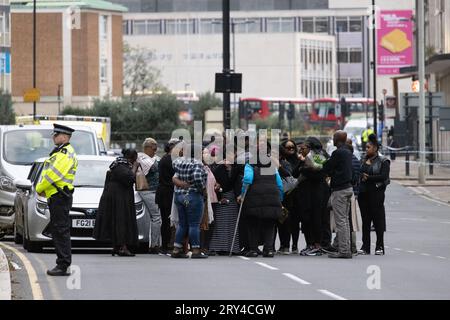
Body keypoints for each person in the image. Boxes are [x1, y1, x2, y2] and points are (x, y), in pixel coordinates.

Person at [36, 124, 77, 276]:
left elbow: (52, 175)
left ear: (65, 137)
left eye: (56, 134)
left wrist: (39, 188)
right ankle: (62, 263)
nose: (53, 137)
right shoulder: (61, 152)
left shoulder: (64, 154)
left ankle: (63, 265)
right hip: (57, 195)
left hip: (60, 196)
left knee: (60, 231)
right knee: (59, 230)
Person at [239, 143, 284, 258]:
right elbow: (279, 184)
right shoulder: (272, 166)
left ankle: (253, 249)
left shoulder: (250, 164)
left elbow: (248, 179)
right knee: (269, 224)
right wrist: (280, 199)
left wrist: (242, 195)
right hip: (272, 197)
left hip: (254, 198)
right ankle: (268, 249)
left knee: (252, 223)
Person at [94, 149, 139, 257]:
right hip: (119, 198)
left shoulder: (118, 164)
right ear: (131, 158)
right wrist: (135, 167)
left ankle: (117, 247)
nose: (134, 161)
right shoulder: (120, 166)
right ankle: (122, 247)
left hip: (118, 197)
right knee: (121, 221)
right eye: (134, 159)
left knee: (118, 221)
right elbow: (130, 178)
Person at [171, 143, 208, 259]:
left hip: (179, 196)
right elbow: (197, 177)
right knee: (194, 225)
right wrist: (201, 188)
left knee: (182, 224)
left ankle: (176, 249)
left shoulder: (178, 162)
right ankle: (196, 250)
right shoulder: (197, 163)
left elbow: (175, 177)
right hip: (193, 195)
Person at [322, 131, 354, 259]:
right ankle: (344, 246)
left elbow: (327, 167)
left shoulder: (338, 153)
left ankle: (344, 250)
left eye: (334, 137)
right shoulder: (348, 152)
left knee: (340, 221)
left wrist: (323, 165)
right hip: (348, 188)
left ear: (337, 139)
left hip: (339, 190)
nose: (333, 139)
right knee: (344, 220)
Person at [358, 134, 390, 255]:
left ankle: (379, 246)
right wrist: (363, 172)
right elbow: (358, 172)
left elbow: (384, 177)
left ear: (375, 148)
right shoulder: (363, 159)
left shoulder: (383, 161)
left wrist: (369, 178)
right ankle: (365, 246)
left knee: (378, 221)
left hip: (376, 194)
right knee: (365, 221)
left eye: (368, 147)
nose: (366, 149)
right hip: (363, 194)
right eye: (366, 147)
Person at [209, 152, 241, 255]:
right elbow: (214, 185)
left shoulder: (237, 167)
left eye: (233, 154)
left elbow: (237, 183)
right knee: (220, 224)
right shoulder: (218, 169)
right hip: (222, 198)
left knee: (232, 224)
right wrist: (219, 198)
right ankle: (219, 247)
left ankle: (232, 248)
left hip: (233, 198)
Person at [137, 138, 161, 254]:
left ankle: (156, 243)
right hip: (147, 190)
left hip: (153, 191)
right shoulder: (142, 157)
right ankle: (154, 245)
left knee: (155, 217)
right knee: (156, 217)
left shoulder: (152, 158)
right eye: (154, 148)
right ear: (147, 148)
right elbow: (155, 167)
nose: (155, 151)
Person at [156, 138, 180, 254]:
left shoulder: (165, 158)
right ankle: (166, 245)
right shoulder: (170, 160)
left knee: (167, 220)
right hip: (167, 193)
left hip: (164, 192)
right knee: (167, 220)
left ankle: (166, 245)